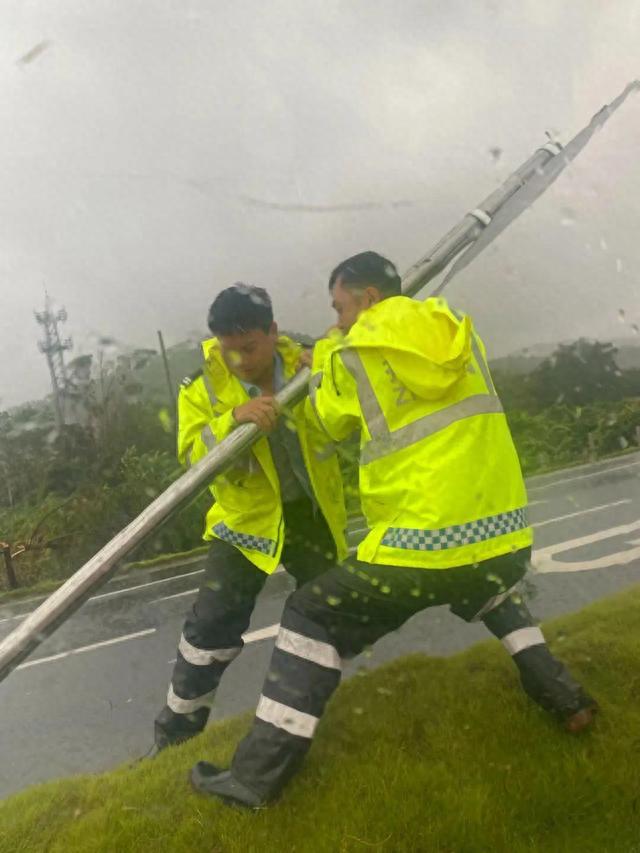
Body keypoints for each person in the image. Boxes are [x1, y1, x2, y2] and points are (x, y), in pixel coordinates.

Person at [188, 252, 597, 808]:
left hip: (424, 541)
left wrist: (327, 352)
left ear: (369, 299)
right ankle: (565, 697)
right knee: (486, 584)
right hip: (503, 534)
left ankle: (256, 777)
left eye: (339, 307)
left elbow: (329, 424)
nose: (337, 319)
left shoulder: (355, 349)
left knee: (310, 613)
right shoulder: (455, 329)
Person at [153, 283, 347, 749]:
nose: (239, 359)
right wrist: (231, 420)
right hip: (245, 522)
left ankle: (302, 721)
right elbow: (191, 456)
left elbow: (349, 414)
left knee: (326, 616)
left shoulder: (309, 358)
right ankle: (175, 736)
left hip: (310, 511)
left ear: (272, 331)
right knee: (210, 630)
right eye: (229, 349)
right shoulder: (200, 385)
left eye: (249, 347)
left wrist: (326, 374)